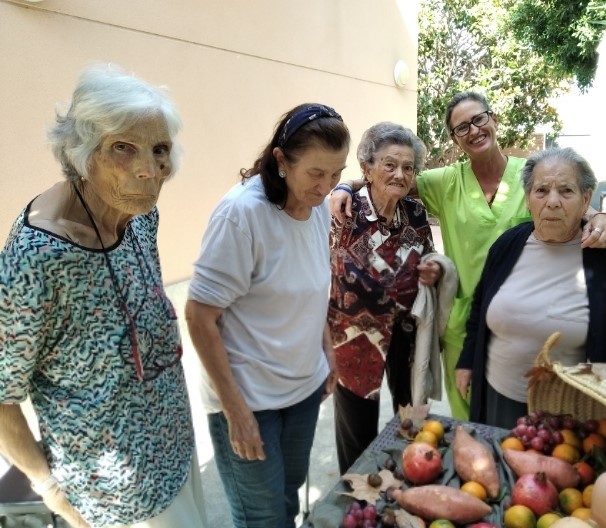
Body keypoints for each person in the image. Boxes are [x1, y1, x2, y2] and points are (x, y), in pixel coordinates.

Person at [0, 64, 207, 528]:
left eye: (159, 150)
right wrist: (51, 491)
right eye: (122, 147)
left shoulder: (139, 217)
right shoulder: (38, 257)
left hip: (175, 452)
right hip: (116, 494)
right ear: (82, 152)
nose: (149, 170)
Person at [330, 91, 606, 420]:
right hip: (463, 325)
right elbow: (391, 178)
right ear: (455, 138)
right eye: (462, 127)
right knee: (467, 424)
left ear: (494, 120)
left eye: (479, 119)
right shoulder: (446, 181)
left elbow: (567, 201)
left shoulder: (531, 176)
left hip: (524, 321)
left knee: (528, 419)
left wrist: (598, 216)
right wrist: (346, 185)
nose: (474, 130)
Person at [185, 103, 348, 528]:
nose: (326, 187)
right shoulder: (242, 214)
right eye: (316, 173)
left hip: (302, 390)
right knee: (262, 518)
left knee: (287, 500)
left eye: (337, 174)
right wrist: (234, 411)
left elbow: (311, 286)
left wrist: (327, 351)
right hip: (248, 399)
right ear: (281, 160)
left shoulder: (316, 208)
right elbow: (199, 317)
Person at [455, 147, 606, 429]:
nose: (553, 202)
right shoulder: (508, 245)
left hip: (573, 417)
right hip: (497, 398)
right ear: (528, 198)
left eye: (566, 191)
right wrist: (467, 361)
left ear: (586, 199)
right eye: (541, 190)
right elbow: (479, 307)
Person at [329, 122, 453, 474]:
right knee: (356, 432)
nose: (400, 174)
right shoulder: (344, 211)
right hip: (353, 339)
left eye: (408, 167)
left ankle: (410, 475)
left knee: (412, 416)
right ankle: (358, 494)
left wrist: (434, 269)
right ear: (367, 168)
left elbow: (427, 255)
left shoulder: (414, 212)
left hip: (407, 334)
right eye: (390, 164)